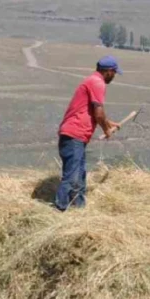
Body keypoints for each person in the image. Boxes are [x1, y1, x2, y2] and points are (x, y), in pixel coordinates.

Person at [54, 56, 120, 211]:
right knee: (71, 177)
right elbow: (98, 113)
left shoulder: (92, 80)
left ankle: (79, 209)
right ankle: (59, 209)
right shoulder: (98, 83)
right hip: (74, 135)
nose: (115, 76)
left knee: (80, 175)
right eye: (115, 72)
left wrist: (110, 123)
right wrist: (106, 130)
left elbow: (92, 112)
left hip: (77, 136)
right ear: (108, 71)